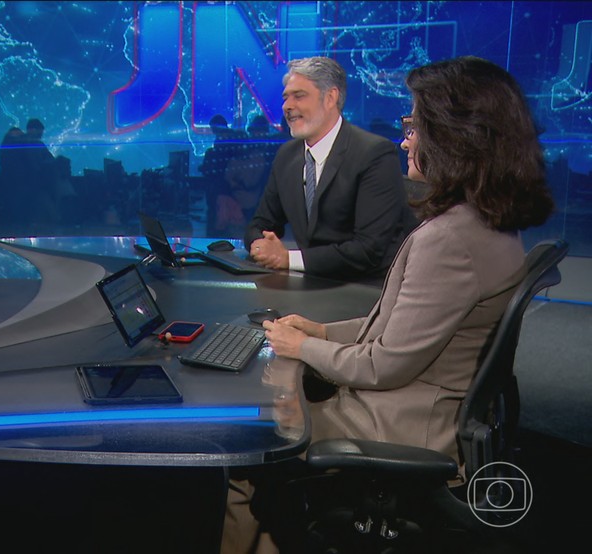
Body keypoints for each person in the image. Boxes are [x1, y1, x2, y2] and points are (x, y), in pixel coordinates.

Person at [225, 56, 555, 553]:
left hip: (401, 423)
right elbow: (403, 324)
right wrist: (321, 331)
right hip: (428, 404)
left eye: (415, 127)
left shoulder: (449, 239)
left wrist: (299, 347)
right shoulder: (488, 223)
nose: (406, 140)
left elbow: (383, 365)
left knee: (251, 443)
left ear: (455, 137)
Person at [243, 57, 416, 282]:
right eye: (286, 97)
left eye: (299, 96)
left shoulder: (374, 154)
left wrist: (287, 258)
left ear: (330, 98)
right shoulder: (287, 156)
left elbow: (368, 250)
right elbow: (260, 224)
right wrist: (260, 246)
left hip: (364, 289)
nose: (287, 106)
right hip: (308, 285)